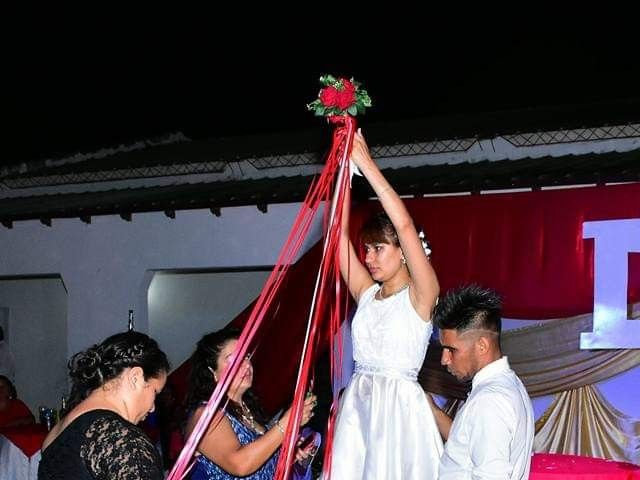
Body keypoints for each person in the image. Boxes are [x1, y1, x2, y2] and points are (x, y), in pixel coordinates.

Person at [328, 130, 443, 479]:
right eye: (367, 249)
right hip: (360, 408)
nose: (369, 257)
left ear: (405, 254)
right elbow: (335, 235)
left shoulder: (422, 295)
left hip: (401, 413)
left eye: (378, 248)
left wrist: (367, 163)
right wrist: (343, 175)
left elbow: (405, 225)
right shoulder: (367, 293)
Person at [429, 285, 534, 480]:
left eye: (451, 349)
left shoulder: (490, 400)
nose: (444, 359)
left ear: (482, 345)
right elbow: (468, 445)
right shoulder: (508, 384)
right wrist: (433, 411)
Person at [185, 328, 318, 480]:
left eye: (246, 356)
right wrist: (286, 423)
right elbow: (240, 464)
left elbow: (260, 466)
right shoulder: (205, 414)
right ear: (212, 372)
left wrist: (288, 453)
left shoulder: (249, 410)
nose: (246, 364)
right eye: (234, 359)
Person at [38, 331, 170, 480]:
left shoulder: (58, 431)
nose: (153, 407)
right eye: (155, 391)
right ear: (135, 378)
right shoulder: (123, 440)